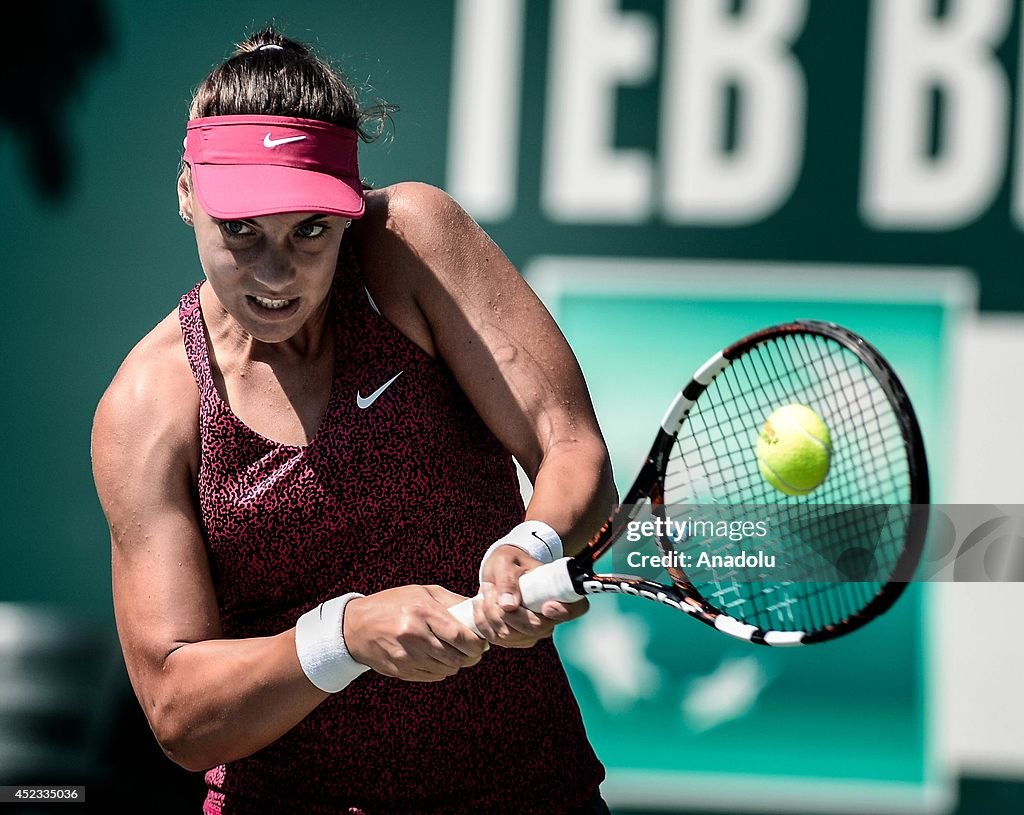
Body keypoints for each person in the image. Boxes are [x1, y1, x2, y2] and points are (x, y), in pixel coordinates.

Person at [91, 25, 618, 815]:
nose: (277, 274)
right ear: (187, 194)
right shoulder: (149, 403)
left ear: (350, 206)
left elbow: (569, 445)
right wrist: (341, 636)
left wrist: (529, 544)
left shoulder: (410, 243)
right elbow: (178, 712)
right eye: (242, 231)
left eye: (311, 229)